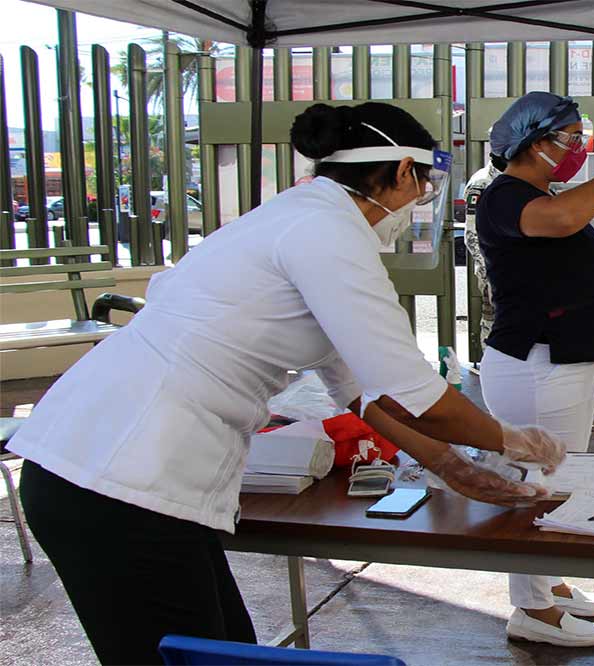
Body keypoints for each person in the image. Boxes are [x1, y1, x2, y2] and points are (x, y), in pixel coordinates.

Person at [9, 102, 565, 665]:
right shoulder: (325, 232)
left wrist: (451, 465)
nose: (419, 201)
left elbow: (359, 391)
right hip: (116, 478)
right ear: (402, 171)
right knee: (190, 657)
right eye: (423, 184)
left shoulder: (300, 218)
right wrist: (507, 440)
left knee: (223, 652)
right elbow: (411, 392)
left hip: (114, 469)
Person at [476, 91, 594, 648]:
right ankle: (531, 609)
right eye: (569, 139)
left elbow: (557, 243)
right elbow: (566, 219)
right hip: (535, 362)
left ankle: (547, 583)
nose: (578, 149)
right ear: (535, 142)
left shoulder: (539, 193)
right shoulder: (504, 196)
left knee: (558, 479)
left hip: (561, 358)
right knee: (542, 483)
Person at [464, 153, 506, 343]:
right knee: (494, 321)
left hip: (516, 267)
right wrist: (488, 273)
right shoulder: (482, 183)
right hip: (494, 268)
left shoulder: (512, 178)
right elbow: (472, 234)